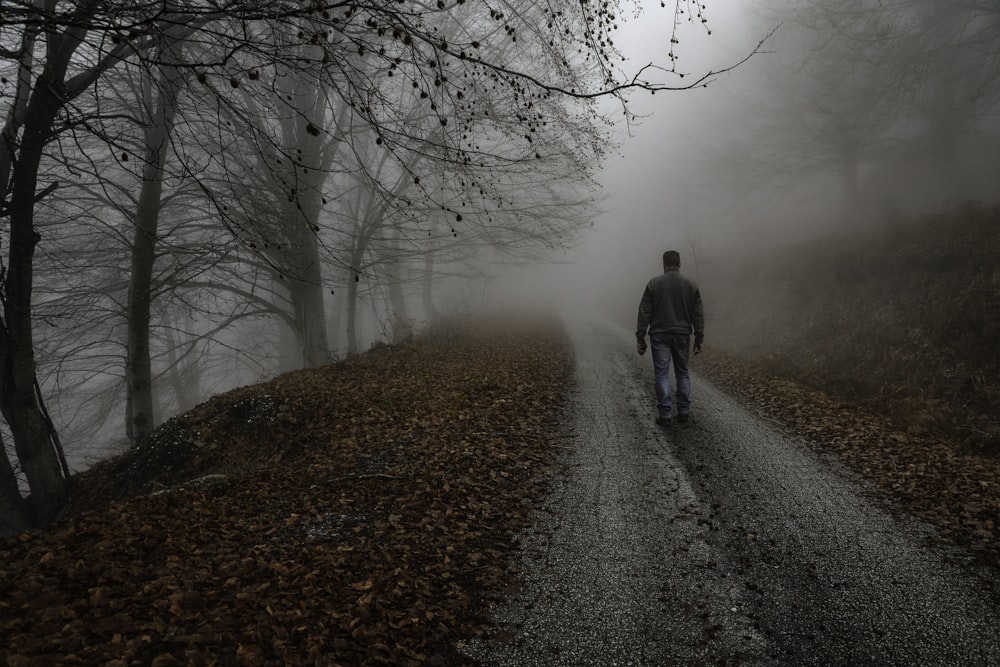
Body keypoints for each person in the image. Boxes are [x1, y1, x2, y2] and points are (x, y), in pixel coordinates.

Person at [636, 250, 704, 426]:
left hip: (659, 334)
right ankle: (684, 412)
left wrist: (640, 336)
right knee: (682, 372)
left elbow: (644, 311)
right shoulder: (691, 284)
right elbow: (697, 313)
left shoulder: (653, 284)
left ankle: (665, 414)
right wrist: (699, 336)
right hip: (682, 334)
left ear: (664, 264)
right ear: (680, 264)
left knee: (662, 374)